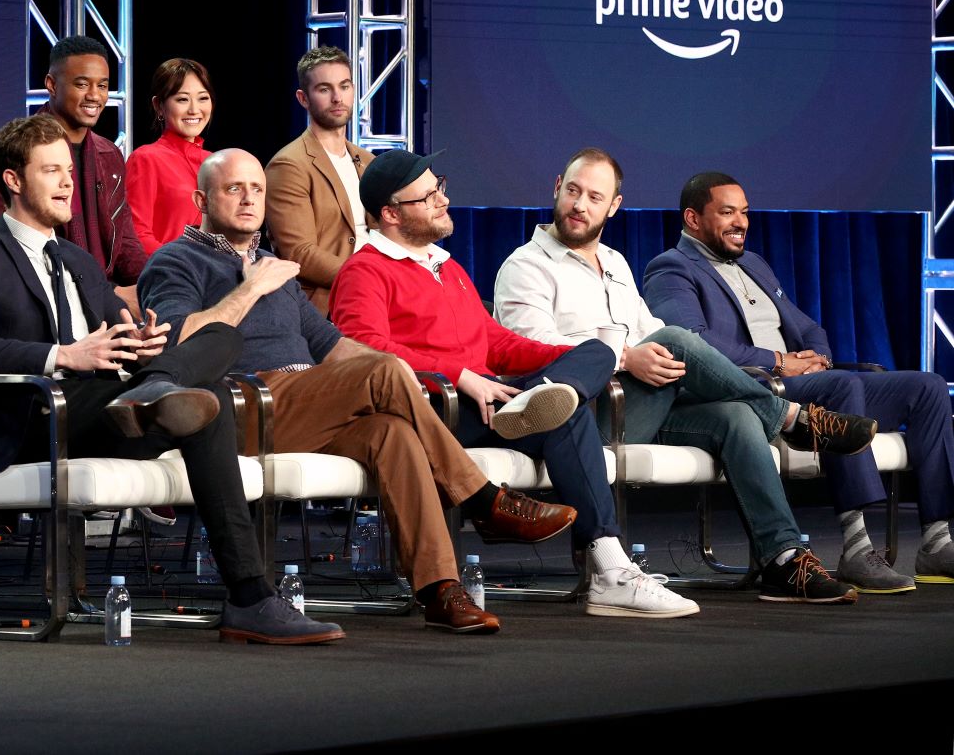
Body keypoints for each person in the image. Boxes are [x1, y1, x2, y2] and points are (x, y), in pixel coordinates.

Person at [140, 148, 582, 635]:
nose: (249, 200)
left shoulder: (273, 266)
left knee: (392, 432)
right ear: (201, 197)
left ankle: (440, 590)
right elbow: (174, 341)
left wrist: (405, 368)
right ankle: (482, 500)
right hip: (242, 405)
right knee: (385, 371)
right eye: (233, 189)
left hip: (309, 400)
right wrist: (250, 290)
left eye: (257, 189)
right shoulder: (177, 261)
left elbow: (333, 347)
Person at [0, 114, 343, 645]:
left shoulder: (78, 261)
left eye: (68, 171)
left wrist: (143, 341)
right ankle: (250, 594)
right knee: (204, 385)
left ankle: (249, 598)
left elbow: (122, 334)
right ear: (14, 181)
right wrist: (63, 355)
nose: (66, 183)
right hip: (32, 416)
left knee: (219, 354)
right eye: (51, 171)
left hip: (106, 408)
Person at [494, 148, 877, 604]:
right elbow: (531, 352)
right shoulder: (525, 266)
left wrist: (651, 355)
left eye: (595, 197)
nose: (580, 205)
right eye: (573, 191)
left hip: (644, 406)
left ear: (613, 206)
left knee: (736, 416)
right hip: (583, 418)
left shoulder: (615, 264)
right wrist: (625, 357)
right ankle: (794, 418)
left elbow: (649, 332)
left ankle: (784, 559)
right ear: (557, 188)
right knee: (676, 339)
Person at [329, 149, 698, 617]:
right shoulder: (366, 270)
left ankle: (610, 570)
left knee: (591, 362)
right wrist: (459, 375)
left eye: (440, 185)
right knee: (566, 406)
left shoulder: (447, 267)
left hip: (490, 405)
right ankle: (610, 569)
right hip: (435, 411)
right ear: (391, 214)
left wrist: (577, 359)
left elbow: (497, 343)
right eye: (429, 195)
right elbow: (363, 349)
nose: (444, 199)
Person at [644, 172, 954, 591]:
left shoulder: (754, 264)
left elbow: (807, 327)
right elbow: (695, 343)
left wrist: (816, 359)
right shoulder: (671, 268)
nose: (741, 222)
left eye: (745, 213)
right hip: (752, 389)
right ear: (693, 218)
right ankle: (858, 547)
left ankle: (937, 539)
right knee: (843, 388)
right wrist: (777, 362)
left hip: (806, 382)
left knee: (929, 387)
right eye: (728, 212)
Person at [0, 35, 146, 309]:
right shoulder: (15, 147)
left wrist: (154, 282)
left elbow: (124, 240)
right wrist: (106, 294)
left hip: (103, 292)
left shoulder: (109, 155)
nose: (94, 95)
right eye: (82, 84)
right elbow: (12, 243)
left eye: (102, 86)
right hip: (36, 296)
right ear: (52, 85)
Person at [265, 46, 375, 313]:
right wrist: (369, 278)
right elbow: (299, 253)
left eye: (344, 86)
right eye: (324, 89)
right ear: (304, 98)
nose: (338, 98)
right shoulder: (289, 165)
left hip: (379, 292)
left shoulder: (368, 160)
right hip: (330, 300)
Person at [126, 58, 215, 254]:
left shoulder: (216, 162)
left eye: (203, 98)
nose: (194, 109)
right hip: (170, 276)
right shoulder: (146, 159)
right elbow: (137, 235)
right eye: (182, 99)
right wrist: (178, 267)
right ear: (159, 105)